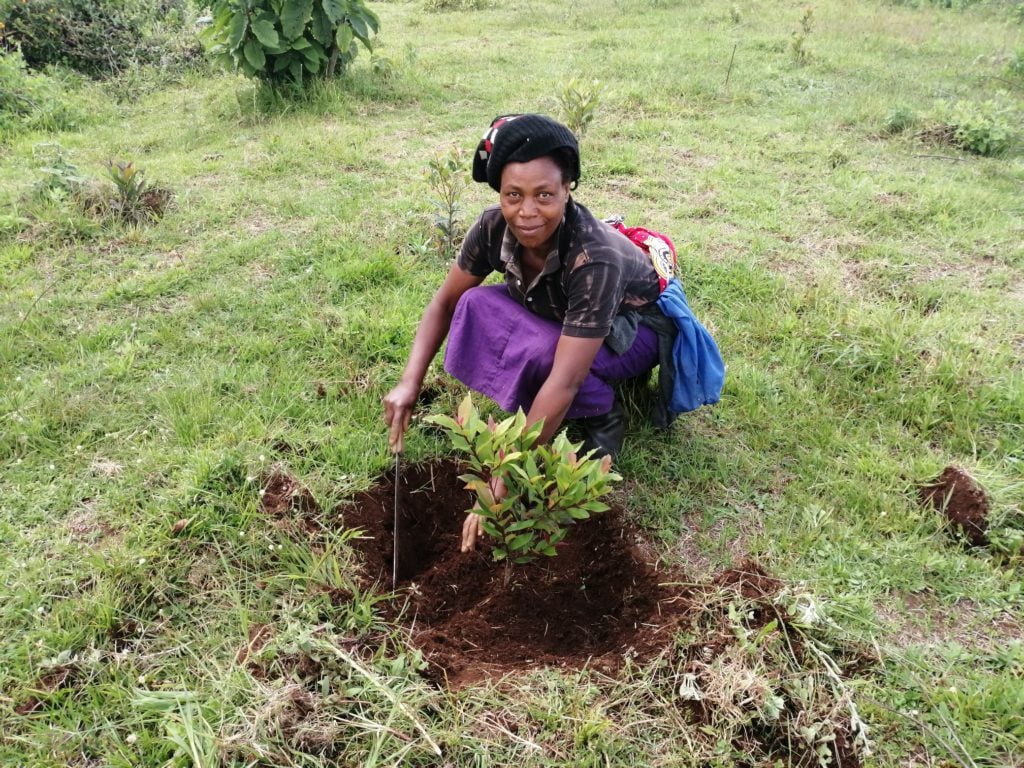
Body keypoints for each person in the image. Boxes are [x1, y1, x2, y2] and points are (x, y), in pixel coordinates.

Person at [383, 114, 722, 551]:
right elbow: (444, 303)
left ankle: (603, 415)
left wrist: (502, 478)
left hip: (636, 329)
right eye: (513, 195)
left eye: (544, 195)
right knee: (473, 304)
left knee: (548, 360)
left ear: (568, 190)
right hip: (561, 309)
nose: (526, 212)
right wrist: (409, 381)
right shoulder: (491, 227)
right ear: (499, 194)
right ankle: (546, 401)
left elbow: (565, 378)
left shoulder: (592, 256)